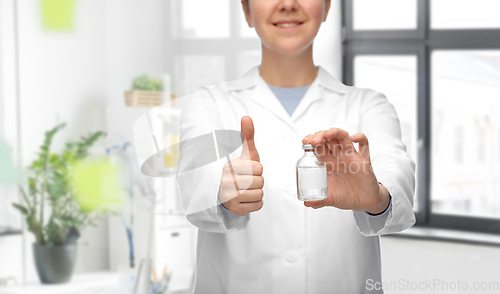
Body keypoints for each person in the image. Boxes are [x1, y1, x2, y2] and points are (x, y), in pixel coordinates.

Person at [175, 0, 416, 293]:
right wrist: (224, 193)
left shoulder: (369, 105)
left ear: (327, 7)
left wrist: (377, 197)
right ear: (247, 11)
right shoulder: (207, 103)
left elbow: (397, 172)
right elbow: (193, 181)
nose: (288, 4)